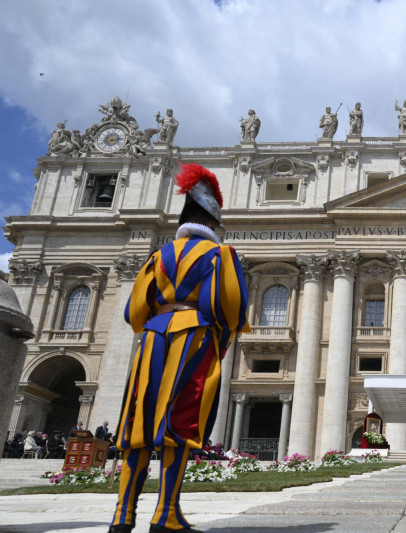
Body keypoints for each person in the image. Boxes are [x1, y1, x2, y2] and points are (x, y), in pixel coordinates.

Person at [107, 163, 250, 533]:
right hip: (195, 338)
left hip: (153, 338)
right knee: (180, 422)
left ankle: (123, 516)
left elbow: (134, 311)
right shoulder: (220, 255)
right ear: (213, 224)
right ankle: (166, 514)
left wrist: (157, 325)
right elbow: (232, 308)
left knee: (140, 421)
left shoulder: (159, 256)